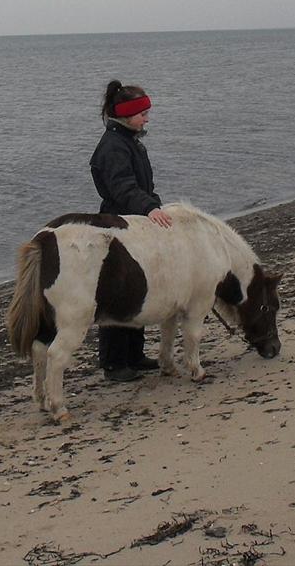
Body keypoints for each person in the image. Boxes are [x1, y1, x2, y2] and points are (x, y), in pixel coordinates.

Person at [90, 80, 173, 382]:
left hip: (135, 223)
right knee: (117, 294)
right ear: (126, 114)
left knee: (137, 288)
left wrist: (155, 205)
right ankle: (113, 363)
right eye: (142, 114)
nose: (147, 119)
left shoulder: (130, 140)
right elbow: (122, 187)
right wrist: (150, 208)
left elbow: (140, 186)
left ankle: (134, 355)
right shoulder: (113, 146)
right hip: (116, 226)